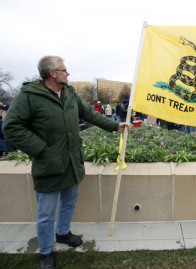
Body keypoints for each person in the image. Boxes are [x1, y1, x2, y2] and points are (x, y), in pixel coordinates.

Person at [3, 56, 130, 269]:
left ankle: (63, 233)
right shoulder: (29, 97)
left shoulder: (70, 93)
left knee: (69, 202)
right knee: (46, 214)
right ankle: (45, 252)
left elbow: (88, 113)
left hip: (72, 162)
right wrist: (41, 150)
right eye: (64, 69)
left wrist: (114, 126)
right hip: (49, 165)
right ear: (52, 73)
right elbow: (11, 127)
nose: (68, 73)